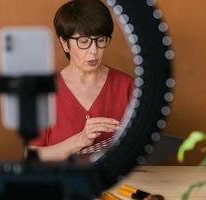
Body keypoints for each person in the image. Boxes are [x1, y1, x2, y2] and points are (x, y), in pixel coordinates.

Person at [29, 0, 133, 161]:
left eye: (100, 40)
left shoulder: (127, 86)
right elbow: (31, 156)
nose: (94, 51)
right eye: (83, 41)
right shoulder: (45, 90)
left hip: (117, 183)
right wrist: (80, 140)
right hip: (61, 184)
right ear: (64, 43)